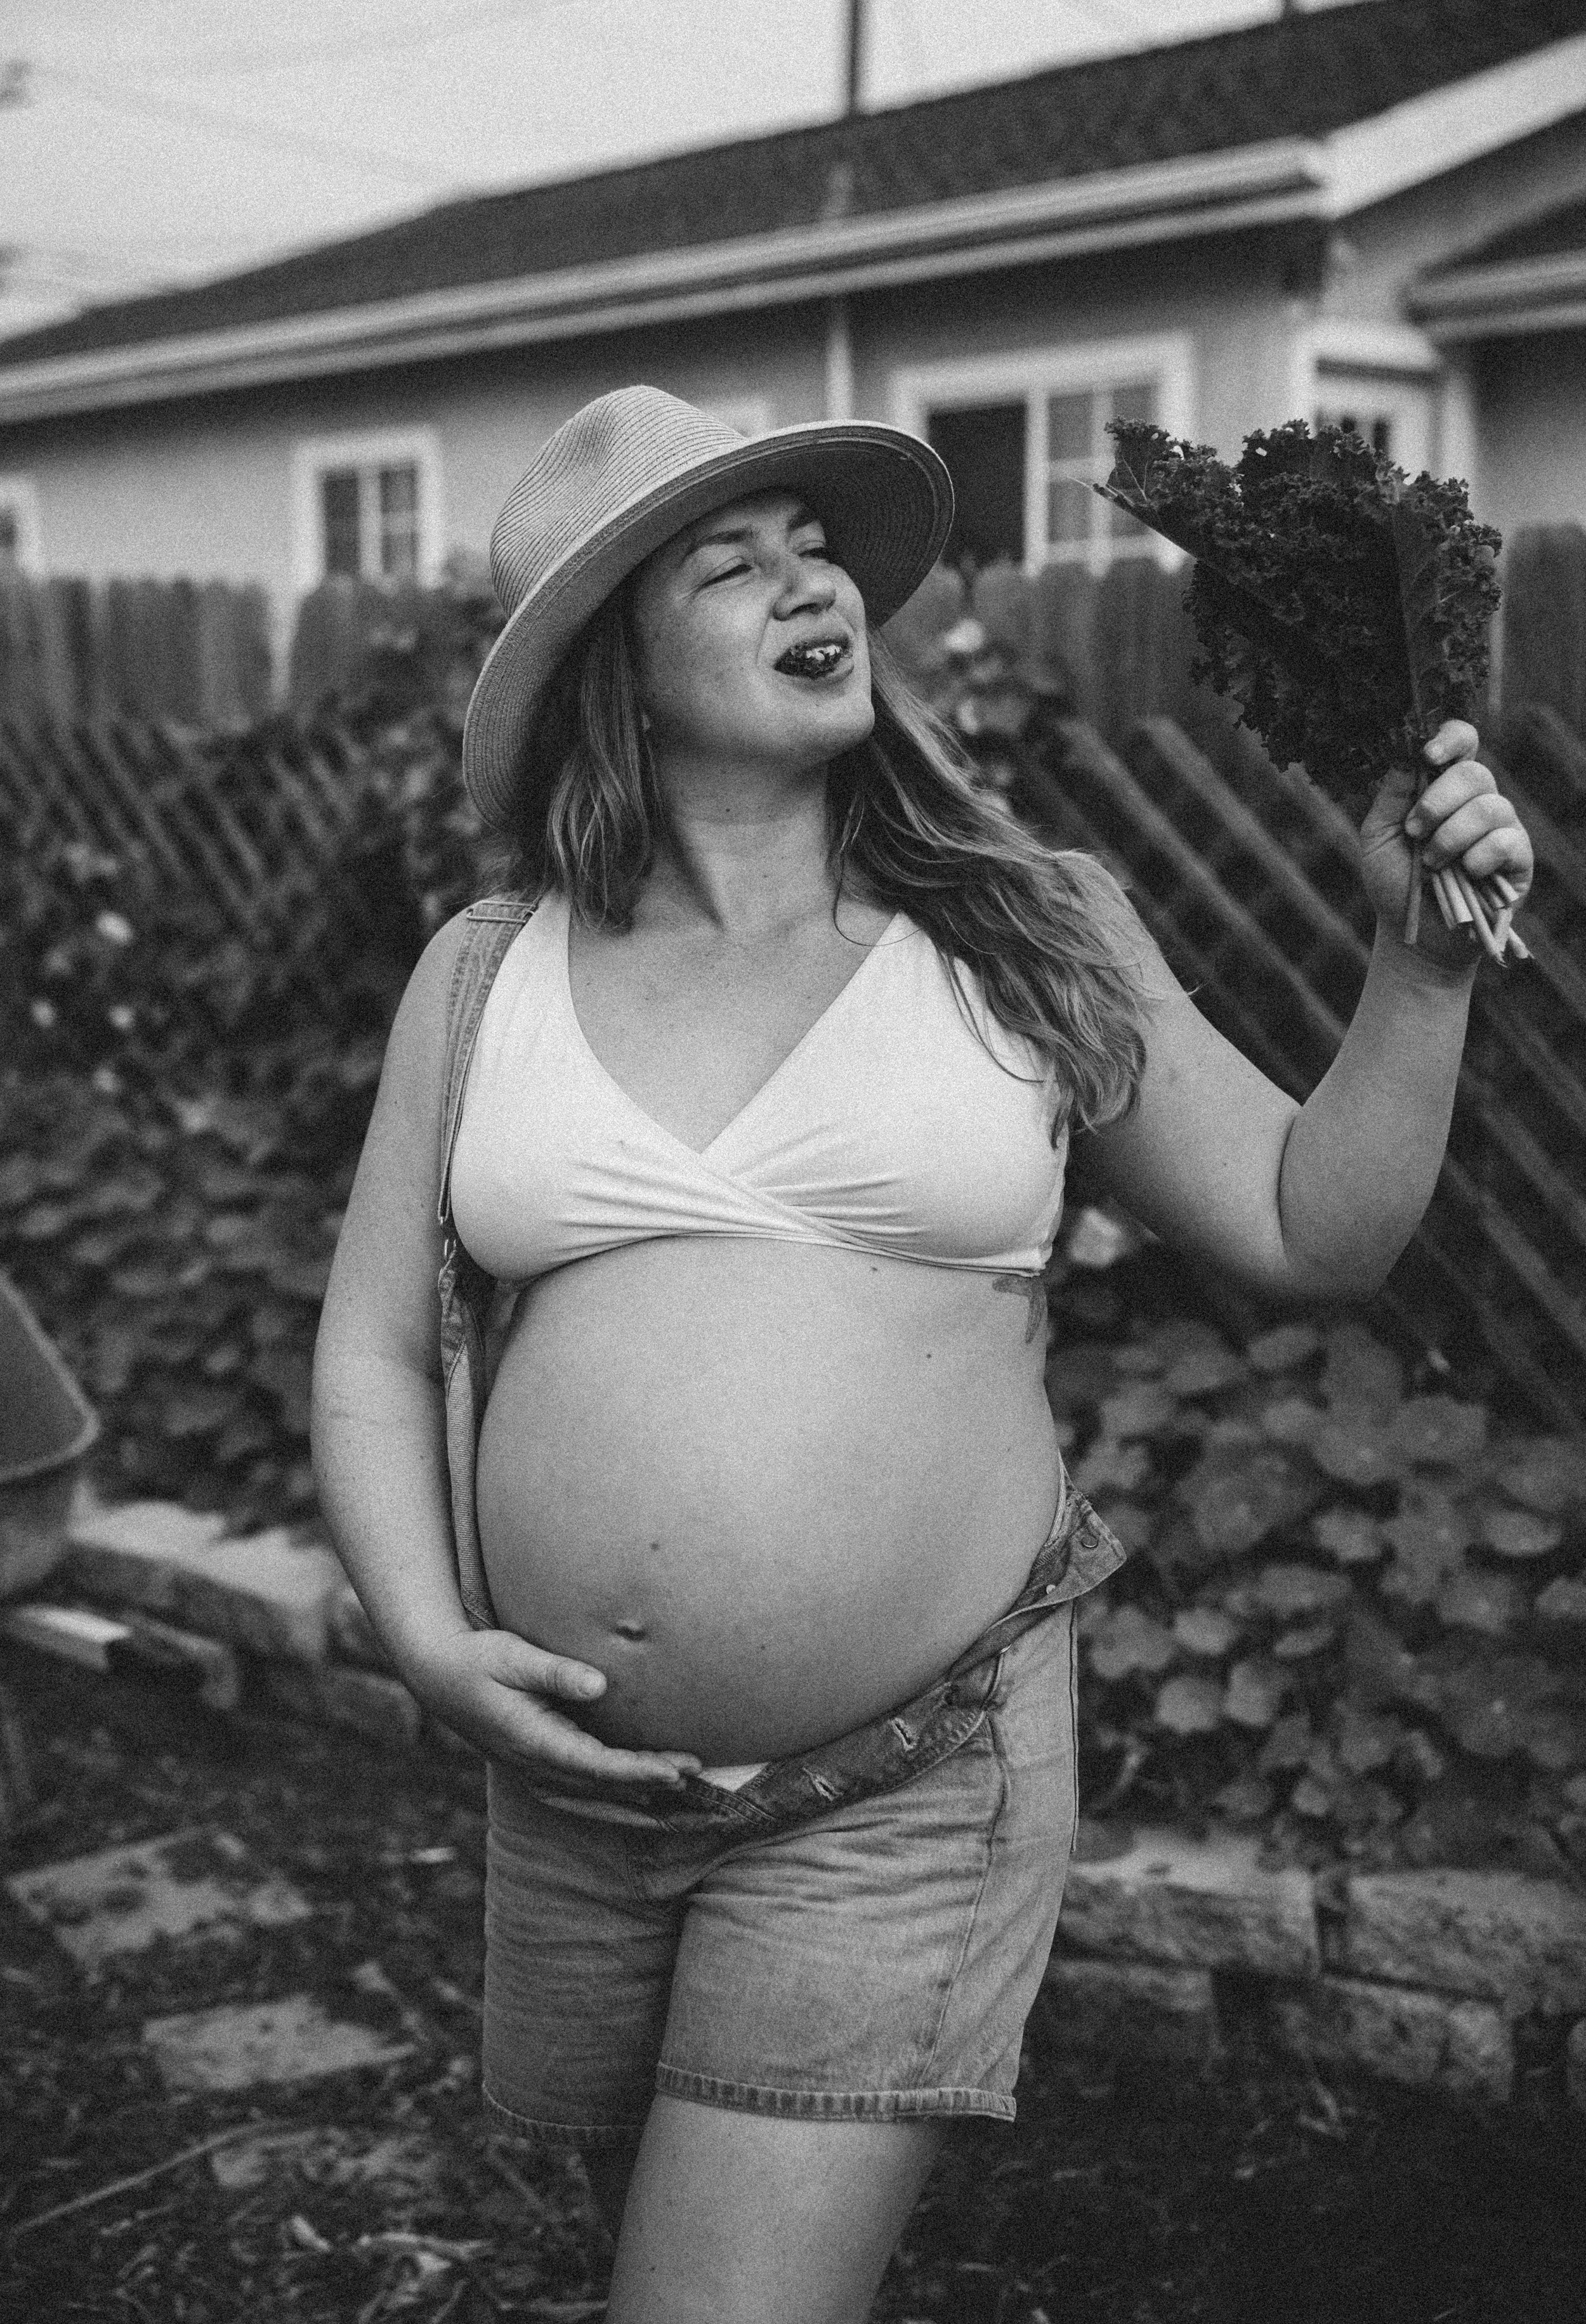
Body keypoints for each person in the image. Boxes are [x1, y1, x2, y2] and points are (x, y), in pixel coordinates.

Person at [310, 386, 1533, 2323]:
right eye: (730, 564)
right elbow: (377, 1345)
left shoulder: (1021, 931)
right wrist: (423, 1639)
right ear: (615, 673)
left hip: (901, 1781)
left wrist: (1422, 964)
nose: (809, 582)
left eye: (814, 549)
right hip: (574, 1794)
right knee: (640, 2246)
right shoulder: (486, 972)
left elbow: (1311, 1229)